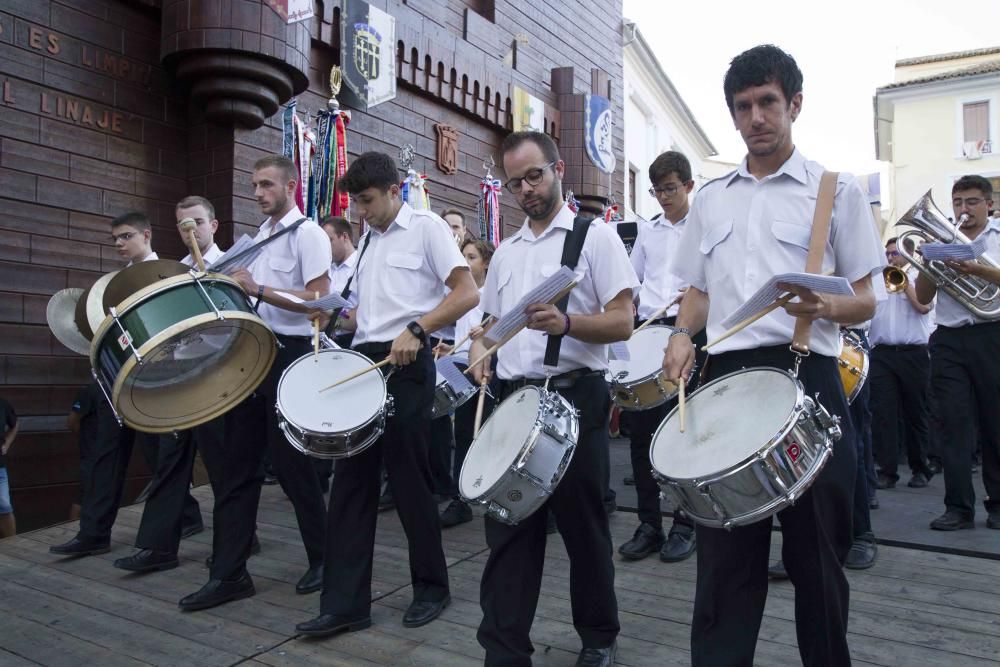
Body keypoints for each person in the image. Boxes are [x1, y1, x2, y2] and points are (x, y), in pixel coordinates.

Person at [661, 45, 883, 666]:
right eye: (743, 107)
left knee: (817, 561)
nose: (756, 117)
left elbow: (868, 298)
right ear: (733, 116)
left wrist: (824, 309)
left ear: (795, 105)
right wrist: (681, 333)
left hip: (809, 378)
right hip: (729, 383)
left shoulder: (834, 193)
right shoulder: (710, 199)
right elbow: (698, 291)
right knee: (725, 563)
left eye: (767, 103)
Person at [468, 130, 637, 667]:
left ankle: (598, 637)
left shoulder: (595, 237)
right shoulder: (508, 251)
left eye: (534, 175)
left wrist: (568, 322)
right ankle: (504, 650)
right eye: (515, 182)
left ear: (559, 168)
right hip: (515, 401)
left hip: (574, 398)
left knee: (584, 529)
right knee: (509, 531)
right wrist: (481, 346)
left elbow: (624, 321)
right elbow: (490, 324)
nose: (526, 189)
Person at [296, 151, 478, 637]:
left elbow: (466, 294)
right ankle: (345, 603)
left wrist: (418, 329)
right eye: (355, 202)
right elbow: (367, 317)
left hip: (407, 363)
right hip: (365, 362)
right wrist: (334, 316)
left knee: (409, 482)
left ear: (396, 190)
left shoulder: (427, 228)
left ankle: (432, 588)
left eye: (368, 200)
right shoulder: (368, 243)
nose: (361, 211)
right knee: (351, 483)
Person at [179, 156, 333, 611]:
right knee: (234, 465)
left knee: (291, 466)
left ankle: (325, 558)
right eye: (254, 186)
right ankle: (229, 573)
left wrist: (257, 289)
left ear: (291, 185)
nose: (258, 193)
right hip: (251, 352)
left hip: (289, 355)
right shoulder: (261, 237)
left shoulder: (308, 234)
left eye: (266, 185)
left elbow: (321, 300)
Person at [112, 196, 230, 574]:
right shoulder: (172, 270)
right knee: (169, 460)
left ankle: (238, 541)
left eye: (196, 222)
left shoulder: (233, 264)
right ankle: (157, 547)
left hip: (219, 375)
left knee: (222, 466)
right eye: (182, 225)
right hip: (181, 376)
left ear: (214, 225)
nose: (190, 230)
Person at [50, 212, 163, 557]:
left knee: (159, 457)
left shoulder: (166, 272)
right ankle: (94, 533)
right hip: (113, 374)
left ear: (146, 235)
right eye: (114, 238)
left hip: (153, 378)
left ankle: (178, 521)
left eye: (125, 236)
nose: (118, 243)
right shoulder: (114, 280)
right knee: (106, 455)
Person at [617, 150, 702, 564]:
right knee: (641, 432)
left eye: (670, 188)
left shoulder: (704, 227)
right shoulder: (647, 233)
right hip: (650, 331)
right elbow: (631, 285)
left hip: (689, 328)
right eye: (657, 190)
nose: (664, 197)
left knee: (684, 428)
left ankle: (687, 523)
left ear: (688, 186)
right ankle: (649, 523)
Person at [915, 174, 1000, 531]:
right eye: (958, 202)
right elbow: (921, 297)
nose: (963, 209)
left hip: (991, 333)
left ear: (989, 204)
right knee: (952, 424)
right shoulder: (942, 238)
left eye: (971, 202)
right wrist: (930, 264)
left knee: (995, 422)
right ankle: (958, 507)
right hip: (949, 338)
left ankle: (998, 505)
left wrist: (975, 268)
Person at [437, 238, 496, 527]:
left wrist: (482, 337)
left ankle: (487, 491)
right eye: (464, 257)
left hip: (486, 368)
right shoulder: (462, 294)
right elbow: (460, 342)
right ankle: (461, 499)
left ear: (485, 262)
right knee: (462, 430)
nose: (466, 262)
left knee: (484, 432)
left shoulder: (492, 295)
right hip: (460, 366)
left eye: (472, 257)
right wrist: (448, 351)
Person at [871, 238, 935, 490]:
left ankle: (921, 468)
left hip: (913, 353)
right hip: (883, 354)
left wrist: (903, 281)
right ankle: (887, 470)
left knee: (916, 412)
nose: (890, 258)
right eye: (887, 254)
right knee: (884, 414)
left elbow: (923, 306)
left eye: (895, 253)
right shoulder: (880, 281)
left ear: (909, 256)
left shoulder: (922, 279)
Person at [321, 216, 359, 349]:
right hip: (326, 342)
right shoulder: (326, 269)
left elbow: (368, 311)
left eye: (329, 241)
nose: (325, 247)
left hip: (352, 342)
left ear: (344, 237)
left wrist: (335, 320)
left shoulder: (361, 265)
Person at [67, 383, 100, 521]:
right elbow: (72, 421)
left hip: (109, 453)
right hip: (90, 453)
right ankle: (71, 529)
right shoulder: (90, 391)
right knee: (84, 494)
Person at [0, 397, 18, 538]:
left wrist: (7, 443)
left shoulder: (3, 403)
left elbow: (15, 424)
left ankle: (13, 546)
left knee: (5, 507)